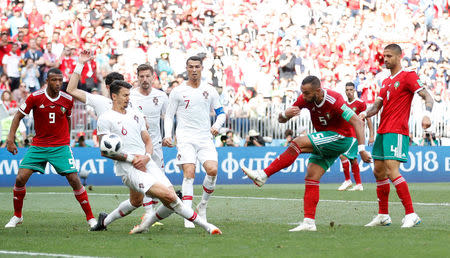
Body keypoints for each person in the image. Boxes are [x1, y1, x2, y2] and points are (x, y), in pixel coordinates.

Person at [241, 75, 372, 231]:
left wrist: (362, 150)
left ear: (318, 91)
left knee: (298, 142)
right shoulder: (305, 98)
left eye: (307, 93)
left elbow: (357, 121)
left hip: (341, 137)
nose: (303, 96)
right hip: (326, 139)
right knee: (311, 176)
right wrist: (285, 114)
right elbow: (282, 119)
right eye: (302, 92)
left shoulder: (334, 99)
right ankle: (309, 223)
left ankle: (263, 175)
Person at [93, 80, 221, 235]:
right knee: (169, 196)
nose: (128, 98)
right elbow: (104, 151)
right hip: (128, 168)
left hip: (147, 163)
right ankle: (207, 227)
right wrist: (131, 159)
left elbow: (148, 140)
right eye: (125, 95)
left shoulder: (136, 114)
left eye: (129, 95)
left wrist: (147, 156)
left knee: (137, 201)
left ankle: (106, 221)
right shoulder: (106, 118)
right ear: (114, 96)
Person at [4, 68, 96, 228]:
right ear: (47, 81)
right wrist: (10, 138)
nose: (58, 83)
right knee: (20, 178)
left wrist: (67, 142)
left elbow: (67, 119)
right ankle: (17, 216)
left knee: (74, 179)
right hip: (39, 145)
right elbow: (18, 116)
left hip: (60, 146)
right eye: (55, 80)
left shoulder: (67, 99)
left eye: (61, 80)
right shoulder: (35, 97)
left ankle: (90, 218)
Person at [360, 44, 434, 228]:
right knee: (378, 171)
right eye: (384, 56)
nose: (385, 59)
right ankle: (383, 215)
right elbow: (376, 107)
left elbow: (428, 97)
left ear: (399, 57)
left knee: (393, 171)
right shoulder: (384, 82)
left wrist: (427, 115)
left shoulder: (408, 76)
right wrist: (364, 114)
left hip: (397, 131)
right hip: (383, 131)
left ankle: (411, 214)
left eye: (389, 56)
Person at [163, 56, 226, 228]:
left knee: (212, 170)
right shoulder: (178, 91)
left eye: (197, 66)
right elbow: (169, 115)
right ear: (186, 68)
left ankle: (203, 206)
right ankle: (188, 214)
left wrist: (217, 126)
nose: (194, 70)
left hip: (205, 137)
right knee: (189, 173)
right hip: (185, 137)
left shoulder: (210, 90)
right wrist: (168, 135)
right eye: (190, 67)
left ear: (202, 68)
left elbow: (221, 113)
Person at [129, 63, 168, 222]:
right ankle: (149, 212)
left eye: (147, 76)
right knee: (143, 177)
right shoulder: (130, 95)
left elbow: (168, 117)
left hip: (156, 145)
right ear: (137, 78)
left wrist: (168, 135)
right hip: (137, 144)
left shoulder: (161, 96)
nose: (145, 79)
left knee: (159, 178)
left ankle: (156, 211)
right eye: (141, 76)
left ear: (153, 77)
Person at [337, 82, 374, 191]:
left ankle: (348, 180)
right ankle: (359, 184)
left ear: (354, 91)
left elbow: (368, 119)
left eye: (351, 90)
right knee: (352, 159)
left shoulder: (360, 103)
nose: (349, 92)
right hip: (347, 135)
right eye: (347, 90)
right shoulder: (343, 104)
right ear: (345, 91)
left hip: (357, 135)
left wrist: (371, 134)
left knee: (343, 155)